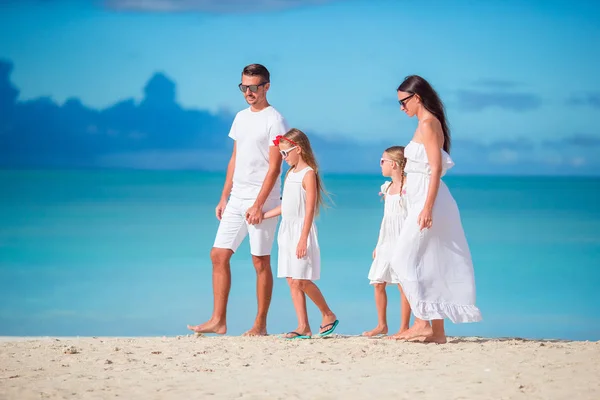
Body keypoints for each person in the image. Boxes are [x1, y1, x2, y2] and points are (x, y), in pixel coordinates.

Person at [187, 64, 289, 336]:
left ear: (266, 86)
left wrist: (258, 203)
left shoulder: (275, 120)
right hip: (237, 198)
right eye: (244, 87)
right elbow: (235, 157)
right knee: (218, 254)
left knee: (260, 262)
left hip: (263, 199)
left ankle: (260, 325)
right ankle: (218, 320)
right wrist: (224, 196)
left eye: (254, 87)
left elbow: (275, 167)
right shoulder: (240, 118)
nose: (248, 92)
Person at [391, 75, 482, 344]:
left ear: (417, 97)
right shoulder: (424, 123)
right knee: (429, 261)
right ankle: (438, 332)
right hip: (421, 199)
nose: (401, 108)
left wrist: (427, 207)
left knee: (402, 259)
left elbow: (435, 169)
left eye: (403, 102)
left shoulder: (429, 124)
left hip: (429, 201)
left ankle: (422, 322)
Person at [263, 128, 339, 339]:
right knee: (291, 280)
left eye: (286, 153)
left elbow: (309, 210)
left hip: (301, 231)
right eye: (281, 154)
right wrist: (264, 215)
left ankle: (328, 314)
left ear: (299, 149)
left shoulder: (308, 174)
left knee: (302, 279)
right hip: (286, 231)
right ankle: (303, 326)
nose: (283, 157)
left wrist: (303, 238)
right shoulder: (290, 173)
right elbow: (286, 206)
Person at [363, 146, 412, 338]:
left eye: (382, 161)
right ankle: (382, 325)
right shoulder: (387, 187)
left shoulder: (407, 187)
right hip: (387, 240)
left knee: (403, 284)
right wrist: (378, 244)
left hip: (403, 240)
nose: (380, 165)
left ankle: (404, 327)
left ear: (394, 164)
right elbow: (386, 220)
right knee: (378, 281)